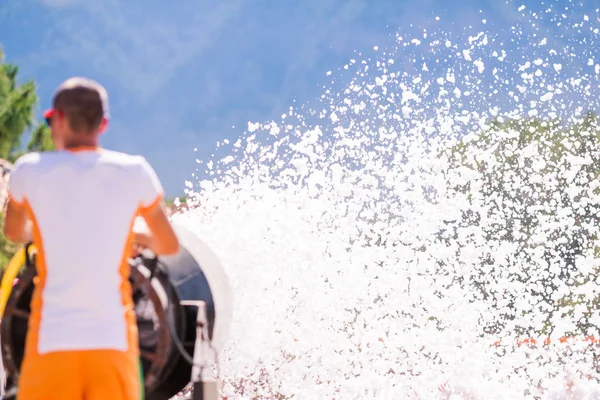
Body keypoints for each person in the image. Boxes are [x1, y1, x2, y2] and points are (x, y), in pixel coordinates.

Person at [2, 77, 180, 400]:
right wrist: (128, 232)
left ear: (56, 119)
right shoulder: (135, 171)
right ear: (104, 124)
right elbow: (168, 244)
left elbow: (13, 233)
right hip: (112, 345)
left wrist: (53, 231)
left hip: (50, 345)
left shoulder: (29, 171)